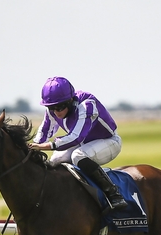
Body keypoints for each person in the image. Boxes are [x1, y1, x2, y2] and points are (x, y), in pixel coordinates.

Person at [28, 76, 127, 211]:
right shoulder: (53, 110)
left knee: (78, 156)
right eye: (51, 108)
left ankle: (114, 194)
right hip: (85, 144)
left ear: (70, 101)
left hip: (109, 141)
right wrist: (32, 146)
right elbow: (44, 132)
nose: (56, 112)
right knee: (55, 160)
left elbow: (76, 138)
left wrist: (46, 146)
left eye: (59, 107)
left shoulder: (86, 105)